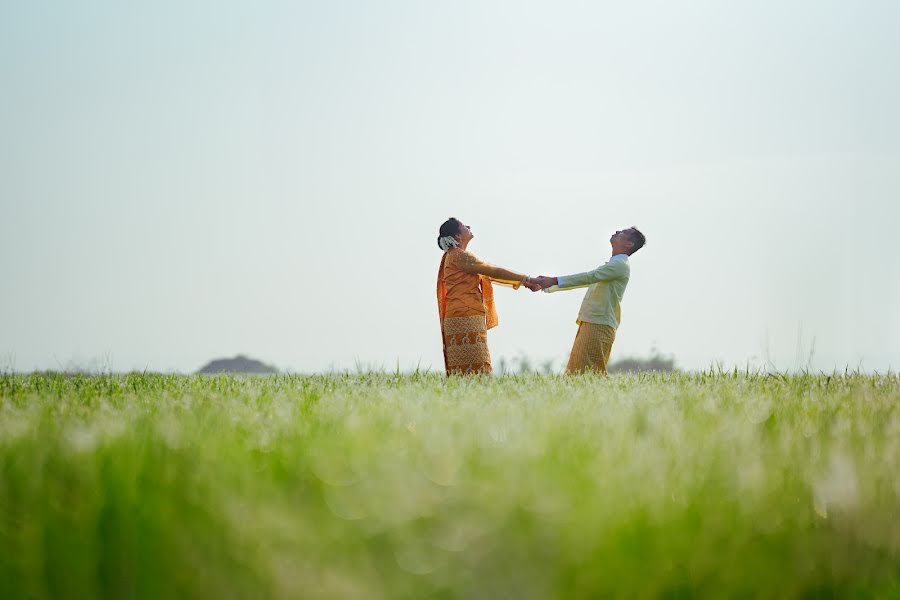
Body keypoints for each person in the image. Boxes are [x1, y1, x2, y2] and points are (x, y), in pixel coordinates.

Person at [533, 227, 646, 375]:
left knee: (584, 373)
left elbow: (589, 277)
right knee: (581, 371)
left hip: (599, 323)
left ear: (629, 244)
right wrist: (548, 286)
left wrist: (552, 280)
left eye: (623, 232)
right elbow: (588, 280)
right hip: (593, 321)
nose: (617, 231)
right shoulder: (613, 265)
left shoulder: (619, 265)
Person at [437, 218, 541, 375]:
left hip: (456, 317)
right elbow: (492, 271)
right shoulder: (460, 256)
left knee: (461, 371)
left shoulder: (451, 256)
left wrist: (524, 281)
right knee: (478, 370)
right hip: (466, 316)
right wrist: (525, 279)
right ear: (458, 236)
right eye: (464, 226)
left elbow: (489, 273)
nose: (469, 226)